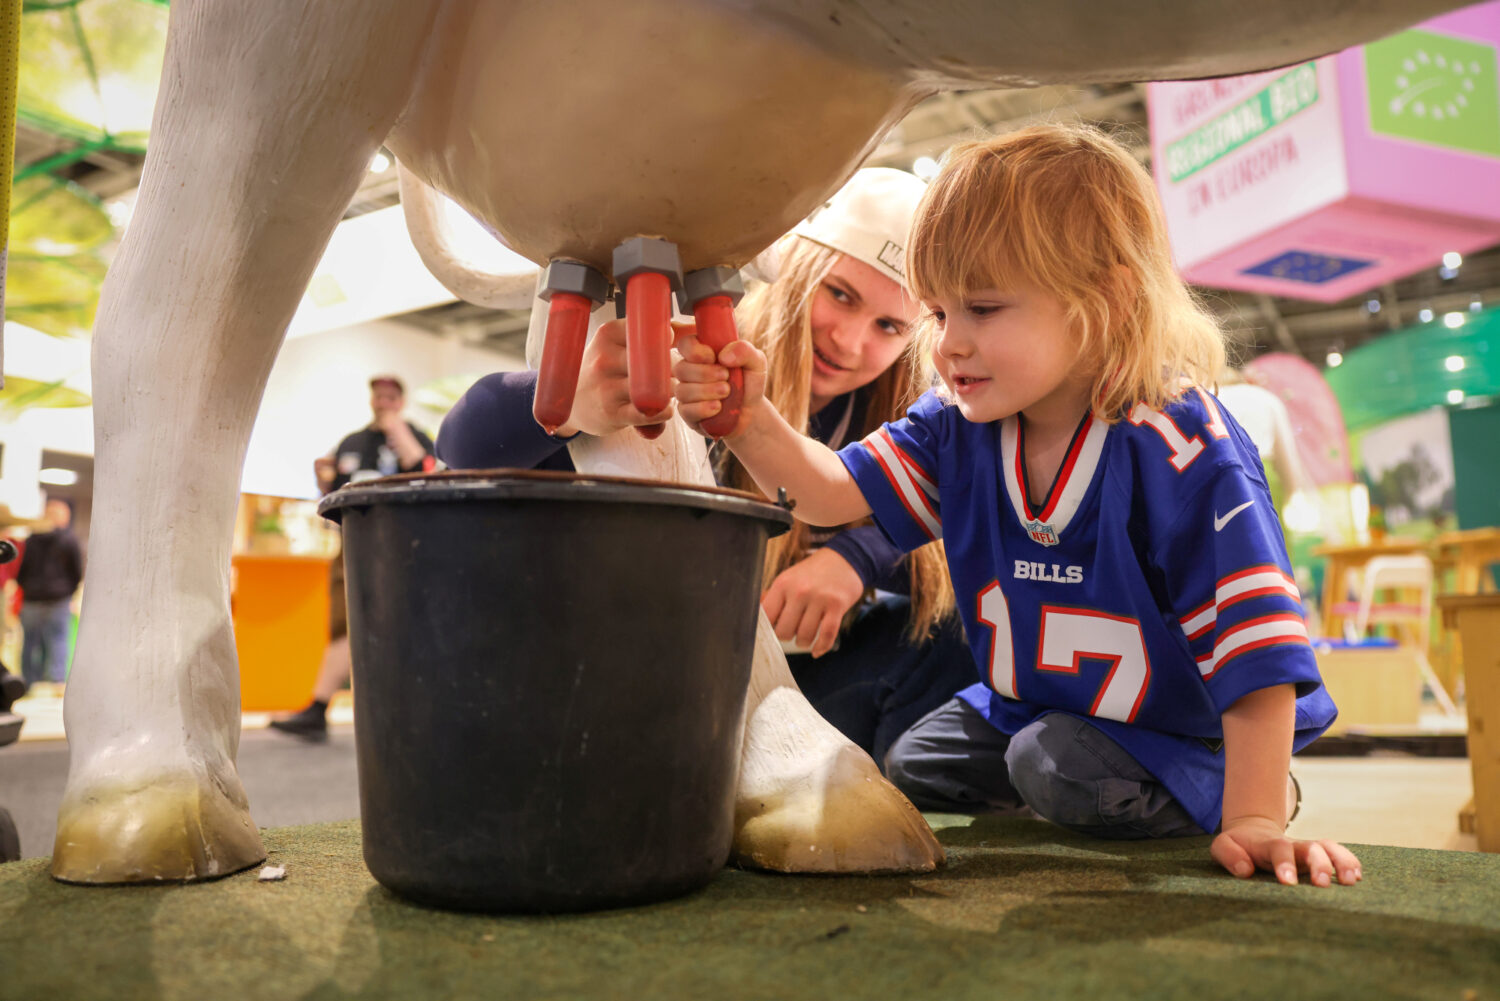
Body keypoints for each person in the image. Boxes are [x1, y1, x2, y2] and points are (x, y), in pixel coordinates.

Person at [675, 123, 1360, 887]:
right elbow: (835, 494)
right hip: (1031, 708)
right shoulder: (957, 425)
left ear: (1104, 300)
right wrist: (751, 419)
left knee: (1054, 770)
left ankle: (1212, 782)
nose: (947, 346)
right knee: (914, 763)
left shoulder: (1178, 441)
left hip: (1173, 728)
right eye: (938, 314)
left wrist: (1255, 816)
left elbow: (1254, 644)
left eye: (984, 309)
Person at [438, 169, 975, 769]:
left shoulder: (896, 410)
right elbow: (462, 442)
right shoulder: (698, 354)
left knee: (952, 635)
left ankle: (903, 790)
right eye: (840, 294)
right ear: (796, 272)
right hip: (641, 674)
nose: (849, 341)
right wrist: (568, 404)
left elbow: (953, 537)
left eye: (889, 326)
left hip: (784, 688)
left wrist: (853, 559)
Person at [270, 375, 436, 740]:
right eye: (379, 396)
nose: (384, 402)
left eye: (392, 396)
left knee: (405, 627)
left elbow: (427, 473)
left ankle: (398, 710)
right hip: (355, 543)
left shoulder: (417, 437)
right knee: (346, 623)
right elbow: (332, 494)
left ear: (401, 401)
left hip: (405, 545)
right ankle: (320, 709)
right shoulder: (353, 441)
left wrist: (400, 432)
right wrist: (322, 479)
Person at [15, 497, 84, 691]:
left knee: (30, 642)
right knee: (58, 640)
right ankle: (57, 682)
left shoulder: (31, 539)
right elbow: (76, 571)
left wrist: (27, 587)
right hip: (58, 598)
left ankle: (28, 682)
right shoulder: (69, 539)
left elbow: (22, 569)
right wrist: (68, 590)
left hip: (33, 597)